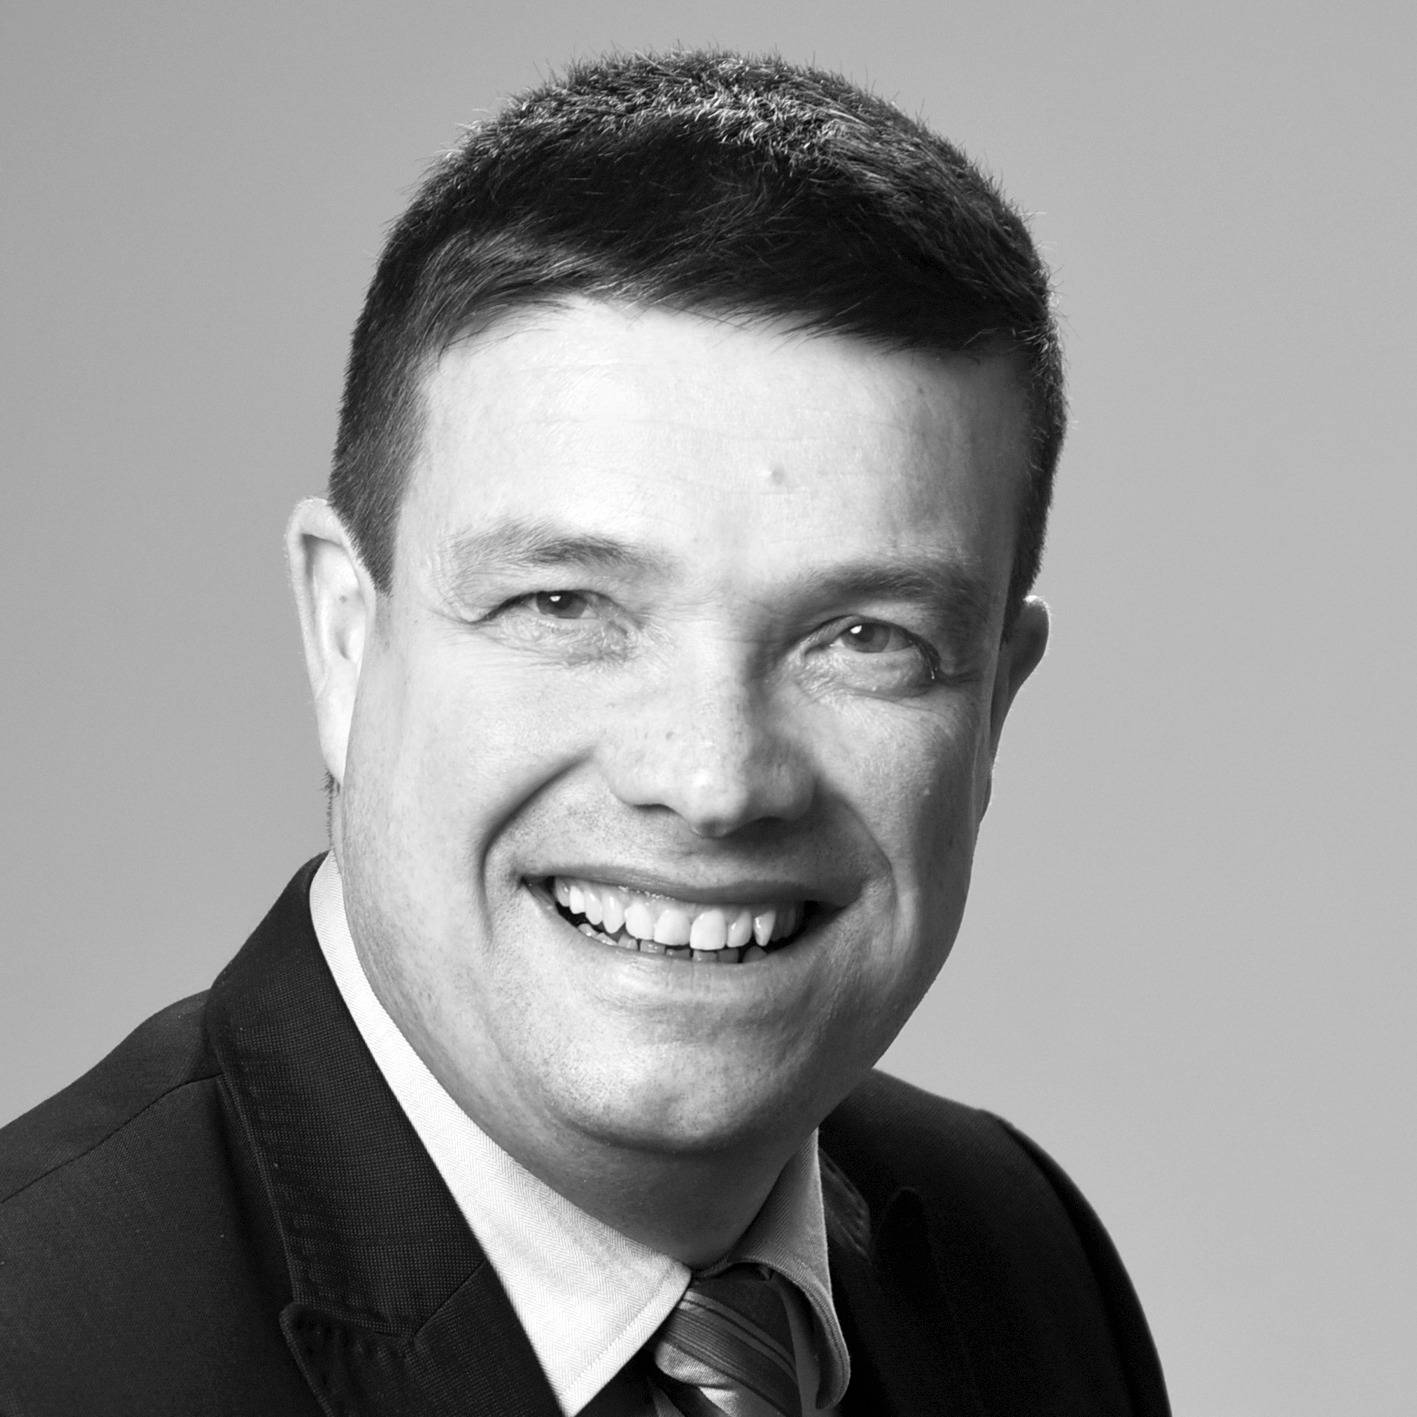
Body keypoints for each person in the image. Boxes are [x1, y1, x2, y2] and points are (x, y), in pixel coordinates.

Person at [0, 50, 1170, 1416]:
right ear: (344, 636)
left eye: (863, 637)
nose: (712, 781)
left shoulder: (1015, 1261)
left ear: (993, 706)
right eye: (565, 604)